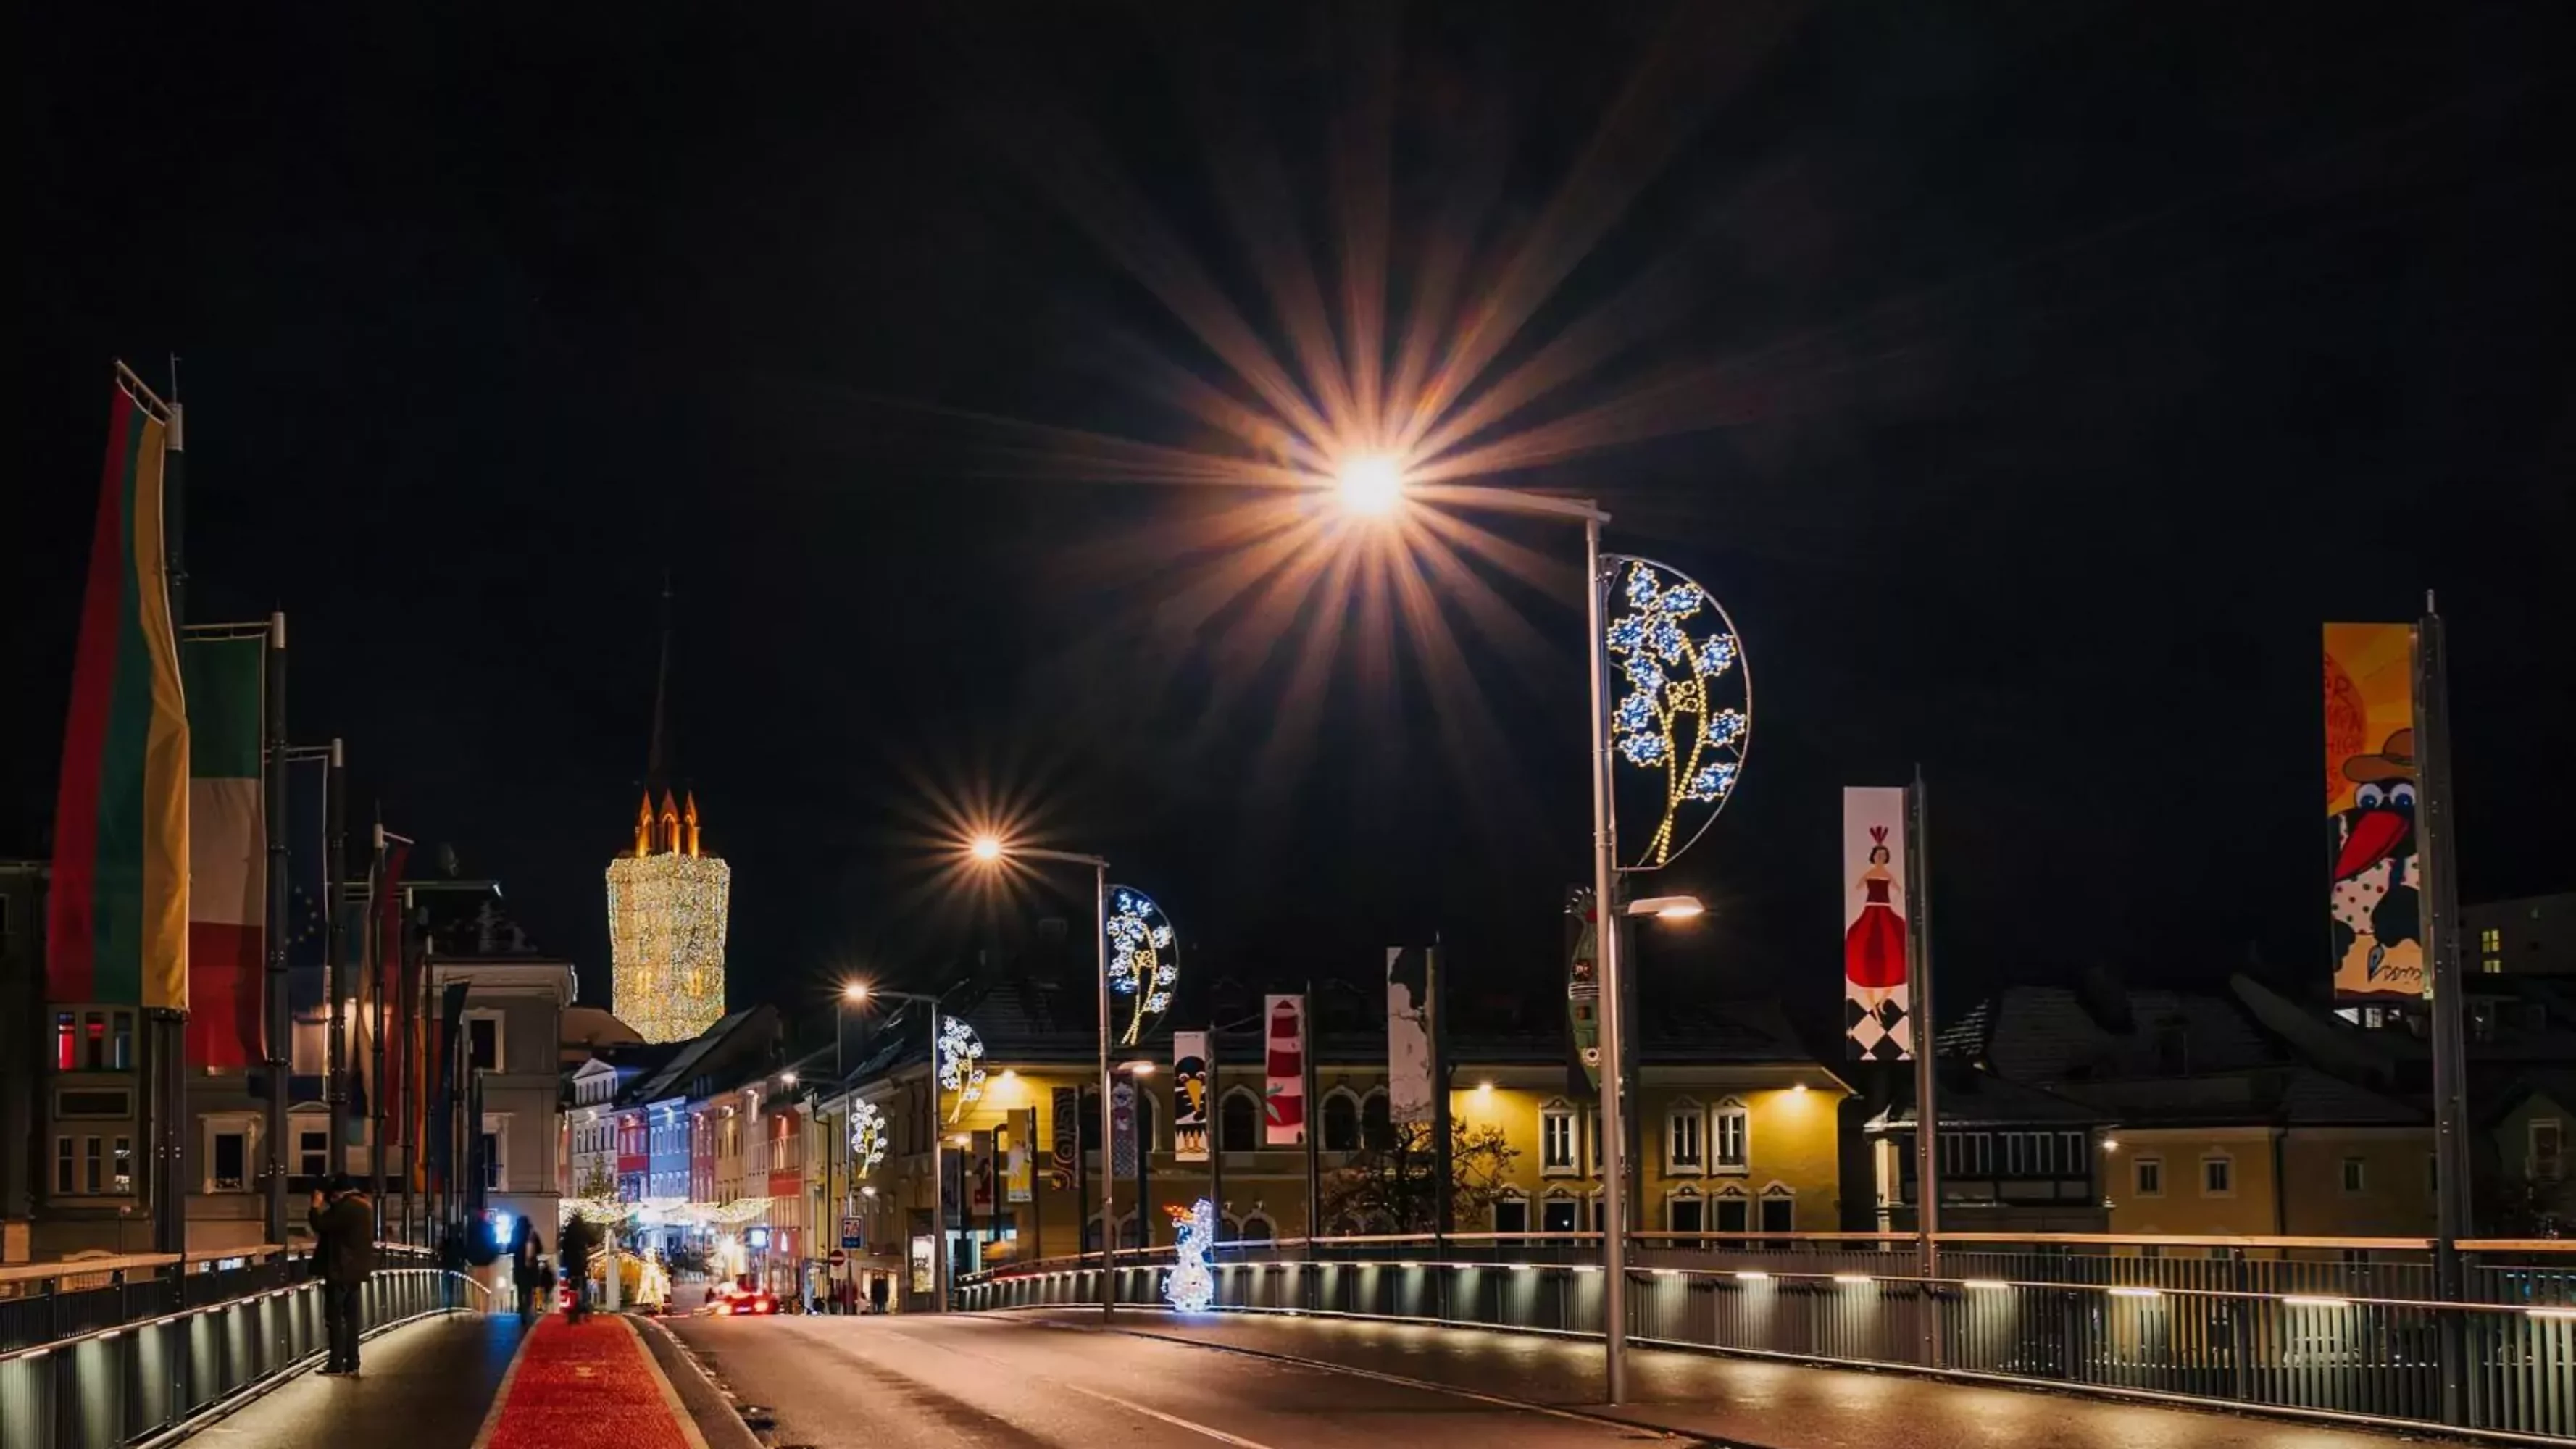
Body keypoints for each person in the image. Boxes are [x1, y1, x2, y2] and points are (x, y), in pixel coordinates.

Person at [308, 1174, 375, 1377]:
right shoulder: (364, 1205)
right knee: (351, 1318)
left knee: (335, 1318)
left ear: (337, 1193)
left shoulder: (347, 1208)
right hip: (355, 1272)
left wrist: (315, 1206)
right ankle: (352, 1362)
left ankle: (336, 1363)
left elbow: (321, 1224)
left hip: (340, 1271)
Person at [559, 1212, 596, 1323]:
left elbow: (563, 1245)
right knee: (583, 1285)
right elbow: (593, 1241)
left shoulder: (569, 1230)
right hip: (581, 1261)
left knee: (572, 1287)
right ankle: (584, 1308)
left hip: (571, 1262)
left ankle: (573, 1309)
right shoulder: (583, 1230)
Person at [511, 1216, 545, 1321]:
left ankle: (522, 1310)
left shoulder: (515, 1234)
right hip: (531, 1267)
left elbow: (511, 1247)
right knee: (529, 1290)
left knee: (521, 1290)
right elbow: (540, 1249)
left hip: (520, 1266)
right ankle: (528, 1308)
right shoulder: (533, 1235)